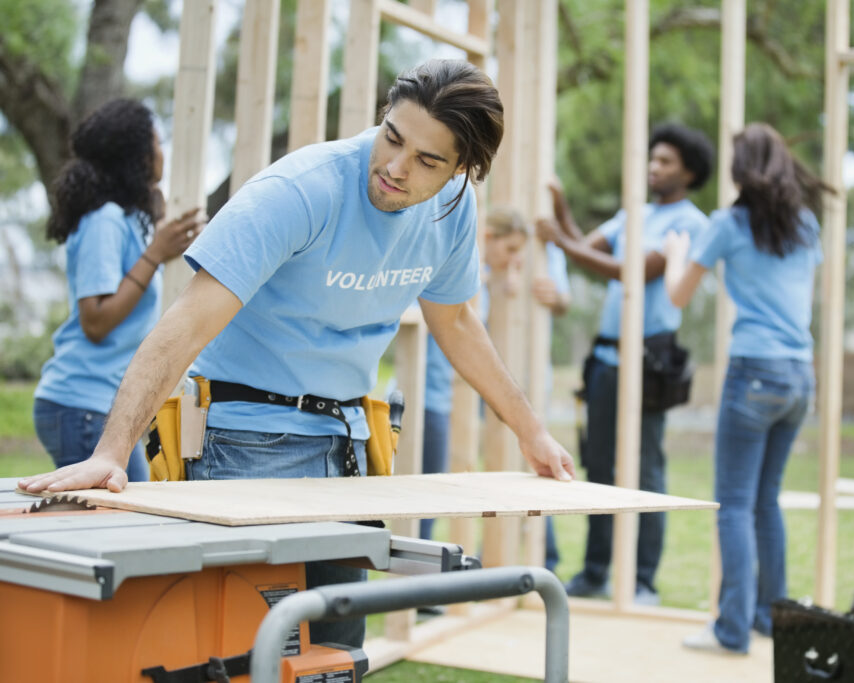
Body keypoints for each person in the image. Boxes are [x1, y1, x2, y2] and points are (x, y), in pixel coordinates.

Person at [19, 60, 575, 648]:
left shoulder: (452, 211)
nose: (394, 167)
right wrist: (112, 451)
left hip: (350, 445)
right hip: (244, 442)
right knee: (255, 651)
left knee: (335, 648)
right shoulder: (302, 190)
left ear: (464, 169)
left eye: (427, 161)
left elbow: (459, 322)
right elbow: (183, 326)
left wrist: (531, 431)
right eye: (392, 137)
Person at [664, 123, 830, 654]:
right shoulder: (806, 224)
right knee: (766, 502)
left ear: (741, 171)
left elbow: (678, 296)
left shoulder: (729, 224)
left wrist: (675, 252)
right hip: (800, 375)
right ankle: (769, 618)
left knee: (734, 504)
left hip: (755, 371)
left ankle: (731, 629)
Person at [537, 123, 714, 605]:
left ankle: (641, 581)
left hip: (647, 360)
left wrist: (558, 239)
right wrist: (561, 210)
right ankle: (595, 574)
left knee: (646, 471)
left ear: (690, 172)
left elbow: (630, 272)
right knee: (597, 467)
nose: (654, 167)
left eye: (666, 161)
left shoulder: (690, 224)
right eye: (652, 159)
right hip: (606, 359)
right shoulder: (632, 214)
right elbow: (586, 249)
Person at [33, 99, 204, 482]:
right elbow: (95, 320)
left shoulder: (123, 218)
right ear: (137, 156)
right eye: (157, 143)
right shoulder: (103, 220)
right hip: (81, 404)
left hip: (91, 405)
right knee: (123, 519)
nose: (163, 152)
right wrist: (155, 254)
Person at [420, 208, 571, 574]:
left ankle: (435, 578)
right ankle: (422, 580)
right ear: (488, 238)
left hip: (453, 396)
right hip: (430, 394)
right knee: (424, 487)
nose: (515, 258)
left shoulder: (478, 280)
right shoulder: (452, 269)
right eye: (511, 248)